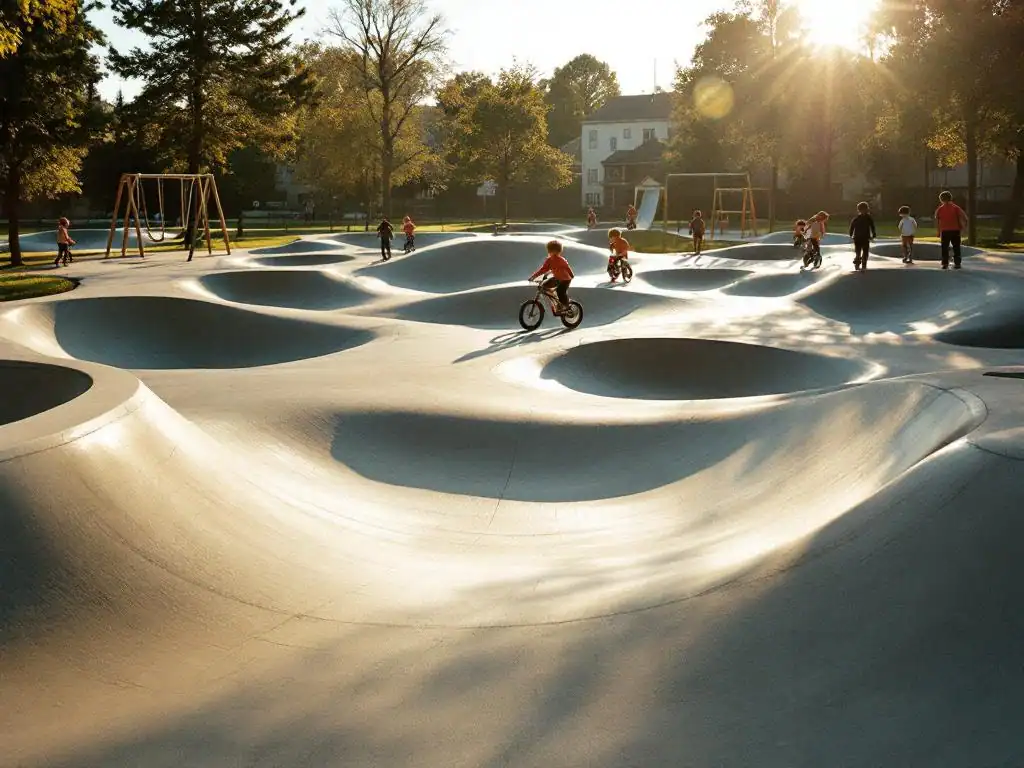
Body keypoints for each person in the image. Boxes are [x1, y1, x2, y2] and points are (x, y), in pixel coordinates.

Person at [528, 240, 575, 313]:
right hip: (557, 278)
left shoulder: (561, 260)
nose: (554, 253)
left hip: (565, 280)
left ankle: (566, 305)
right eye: (552, 251)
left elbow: (567, 267)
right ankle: (555, 300)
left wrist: (571, 275)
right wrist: (533, 277)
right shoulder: (549, 260)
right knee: (543, 286)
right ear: (549, 251)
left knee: (560, 291)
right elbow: (543, 269)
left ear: (559, 251)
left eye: (557, 251)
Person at [935, 191, 967, 270]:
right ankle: (957, 263)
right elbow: (964, 217)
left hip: (945, 231)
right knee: (956, 247)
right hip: (955, 230)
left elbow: (938, 221)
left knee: (944, 247)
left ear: (941, 199)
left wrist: (938, 231)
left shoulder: (940, 209)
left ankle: (945, 263)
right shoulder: (956, 207)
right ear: (951, 198)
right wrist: (963, 227)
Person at [848, 201, 877, 271]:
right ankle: (859, 261)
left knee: (863, 251)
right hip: (860, 237)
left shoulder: (863, 218)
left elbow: (872, 226)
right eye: (862, 210)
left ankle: (862, 262)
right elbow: (852, 226)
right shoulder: (862, 218)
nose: (863, 211)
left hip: (862, 237)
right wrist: (851, 234)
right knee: (860, 251)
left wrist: (873, 234)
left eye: (864, 210)